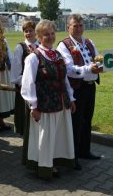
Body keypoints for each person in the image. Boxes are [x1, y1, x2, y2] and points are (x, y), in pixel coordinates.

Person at [21, 20, 76, 180]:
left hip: (61, 102)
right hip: (45, 105)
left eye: (52, 34)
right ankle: (45, 167)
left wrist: (71, 98)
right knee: (45, 137)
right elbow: (27, 84)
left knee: (58, 135)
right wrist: (33, 106)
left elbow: (64, 79)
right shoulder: (33, 57)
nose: (50, 37)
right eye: (46, 34)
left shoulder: (57, 55)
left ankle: (55, 160)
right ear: (38, 36)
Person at [56, 14, 102, 170]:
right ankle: (72, 156)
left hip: (90, 86)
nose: (78, 28)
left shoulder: (89, 42)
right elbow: (68, 70)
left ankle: (84, 151)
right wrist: (89, 68)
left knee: (87, 120)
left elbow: (97, 59)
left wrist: (101, 65)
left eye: (81, 25)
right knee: (76, 123)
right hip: (76, 88)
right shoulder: (64, 45)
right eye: (75, 25)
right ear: (68, 27)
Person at [10, 20, 39, 135]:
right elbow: (16, 70)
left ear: (35, 31)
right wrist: (25, 81)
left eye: (30, 30)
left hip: (39, 86)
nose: (28, 33)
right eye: (25, 31)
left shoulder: (41, 45)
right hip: (25, 86)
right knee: (26, 115)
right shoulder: (20, 47)